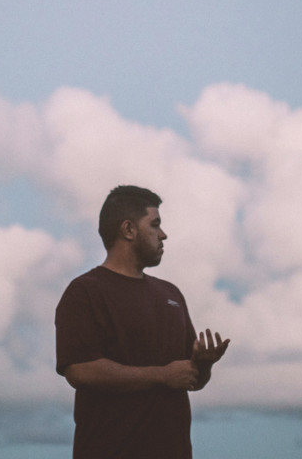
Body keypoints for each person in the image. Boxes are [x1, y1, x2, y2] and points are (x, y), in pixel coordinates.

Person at [55, 185, 230, 459]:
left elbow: (190, 379)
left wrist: (203, 364)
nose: (163, 234)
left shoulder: (171, 294)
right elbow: (79, 370)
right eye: (155, 224)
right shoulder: (85, 292)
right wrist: (162, 375)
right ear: (128, 230)